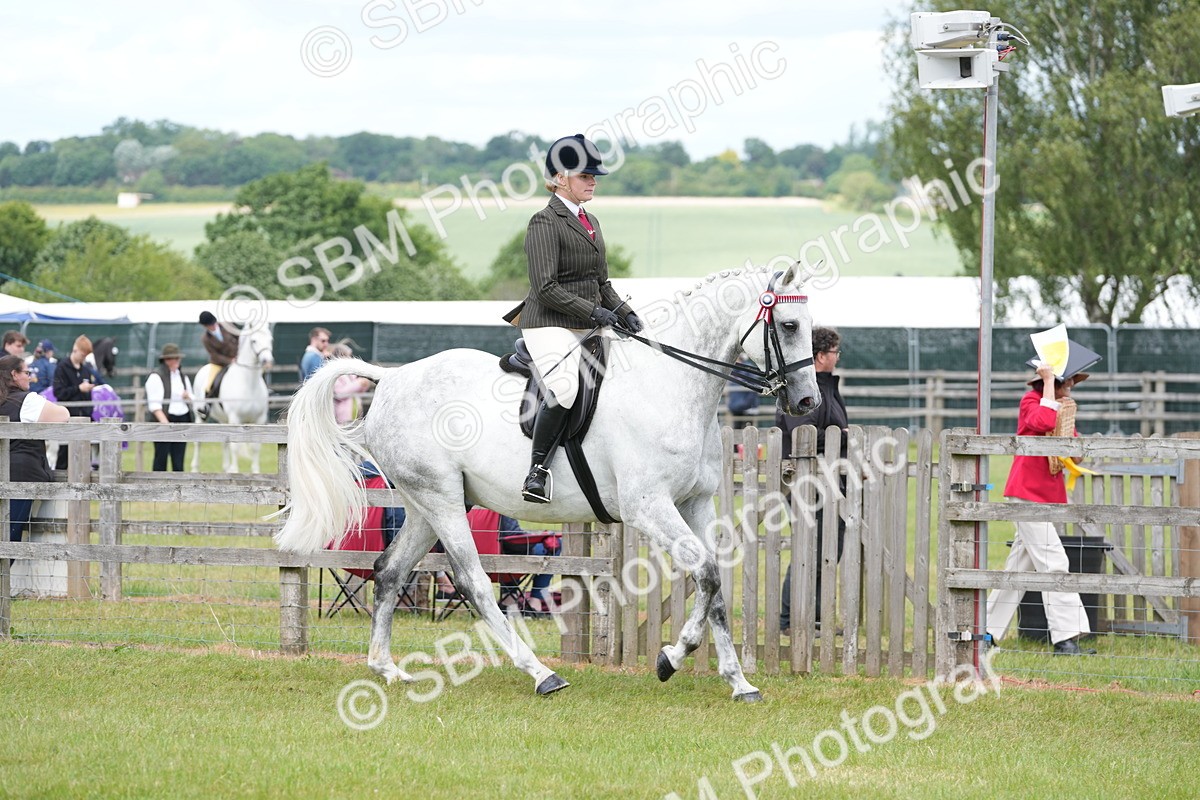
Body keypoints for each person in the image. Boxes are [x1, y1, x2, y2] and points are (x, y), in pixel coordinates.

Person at [503, 133, 643, 503]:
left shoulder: (590, 219)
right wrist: (594, 311)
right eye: (586, 176)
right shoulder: (544, 222)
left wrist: (627, 315)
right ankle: (537, 471)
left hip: (587, 320)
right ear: (561, 177)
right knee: (565, 388)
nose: (593, 181)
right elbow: (545, 286)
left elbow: (601, 283)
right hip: (548, 322)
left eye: (594, 176)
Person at [986, 340, 1101, 656]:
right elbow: (1042, 422)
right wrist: (1049, 381)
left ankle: (985, 633)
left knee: (1017, 571)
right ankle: (1065, 639)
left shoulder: (1060, 408)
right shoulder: (1031, 402)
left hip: (1044, 497)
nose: (1072, 389)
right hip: (1027, 495)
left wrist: (1069, 422)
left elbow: (1073, 449)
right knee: (1054, 563)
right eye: (1070, 383)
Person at [777, 327, 847, 636]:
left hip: (831, 481)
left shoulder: (828, 387)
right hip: (806, 483)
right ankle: (790, 621)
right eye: (834, 352)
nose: (837, 357)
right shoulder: (803, 389)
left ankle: (815, 619)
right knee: (809, 551)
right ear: (820, 356)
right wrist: (839, 437)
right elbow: (800, 434)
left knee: (829, 551)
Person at [0, 354, 70, 541]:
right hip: (20, 478)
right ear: (14, 374)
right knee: (9, 540)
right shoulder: (26, 401)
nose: (30, 376)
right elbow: (63, 415)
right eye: (27, 372)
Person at [51, 335, 101, 470]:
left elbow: (88, 396)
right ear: (76, 349)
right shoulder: (62, 368)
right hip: (68, 418)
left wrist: (88, 412)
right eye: (83, 355)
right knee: (64, 455)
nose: (84, 358)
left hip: (84, 417)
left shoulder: (85, 370)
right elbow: (59, 393)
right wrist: (78, 388)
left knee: (85, 456)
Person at [144, 343, 194, 471]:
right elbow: (154, 405)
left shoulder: (182, 376)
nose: (178, 361)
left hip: (182, 418)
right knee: (161, 458)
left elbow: (191, 396)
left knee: (179, 460)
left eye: (178, 358)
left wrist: (187, 396)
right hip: (165, 419)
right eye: (174, 358)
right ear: (166, 360)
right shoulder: (156, 377)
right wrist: (165, 423)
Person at [197, 311, 238, 410]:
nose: (213, 327)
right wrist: (230, 361)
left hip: (238, 359)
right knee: (209, 385)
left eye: (213, 324)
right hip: (219, 364)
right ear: (205, 326)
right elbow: (214, 355)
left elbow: (239, 338)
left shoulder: (228, 326)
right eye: (209, 326)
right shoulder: (205, 339)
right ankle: (206, 407)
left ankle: (267, 391)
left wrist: (238, 357)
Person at [329, 342, 372, 424]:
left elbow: (355, 390)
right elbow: (339, 393)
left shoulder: (350, 373)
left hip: (356, 409)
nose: (350, 358)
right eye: (347, 356)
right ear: (340, 356)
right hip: (343, 414)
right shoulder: (335, 374)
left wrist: (363, 385)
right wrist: (358, 383)